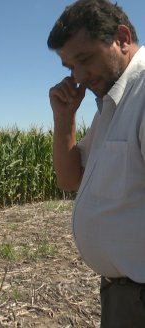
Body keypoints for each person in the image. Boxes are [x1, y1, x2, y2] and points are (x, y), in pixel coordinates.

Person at [47, 0, 145, 325]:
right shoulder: (114, 101)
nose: (78, 76)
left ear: (122, 37)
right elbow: (70, 178)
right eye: (69, 67)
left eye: (85, 59)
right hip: (122, 293)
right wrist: (64, 119)